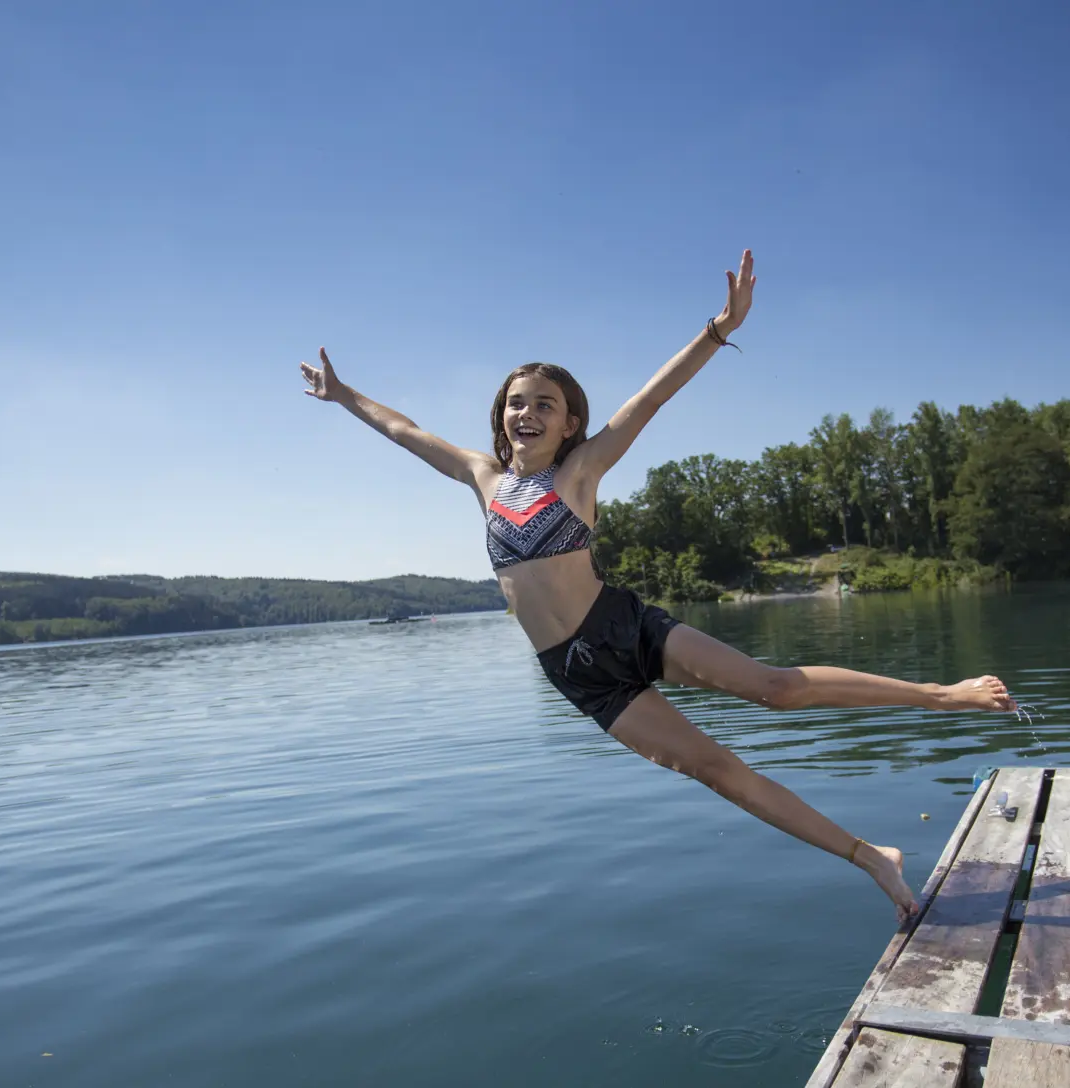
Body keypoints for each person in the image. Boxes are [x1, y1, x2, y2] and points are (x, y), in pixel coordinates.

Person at [299, 250, 1014, 924]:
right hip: (575, 674)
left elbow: (651, 398)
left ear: (570, 422)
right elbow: (403, 428)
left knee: (775, 688)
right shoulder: (481, 477)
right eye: (517, 402)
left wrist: (719, 331)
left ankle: (942, 695)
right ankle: (873, 858)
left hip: (623, 626)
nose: (528, 413)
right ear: (501, 415)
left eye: (545, 404)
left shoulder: (579, 472)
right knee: (716, 769)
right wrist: (342, 395)